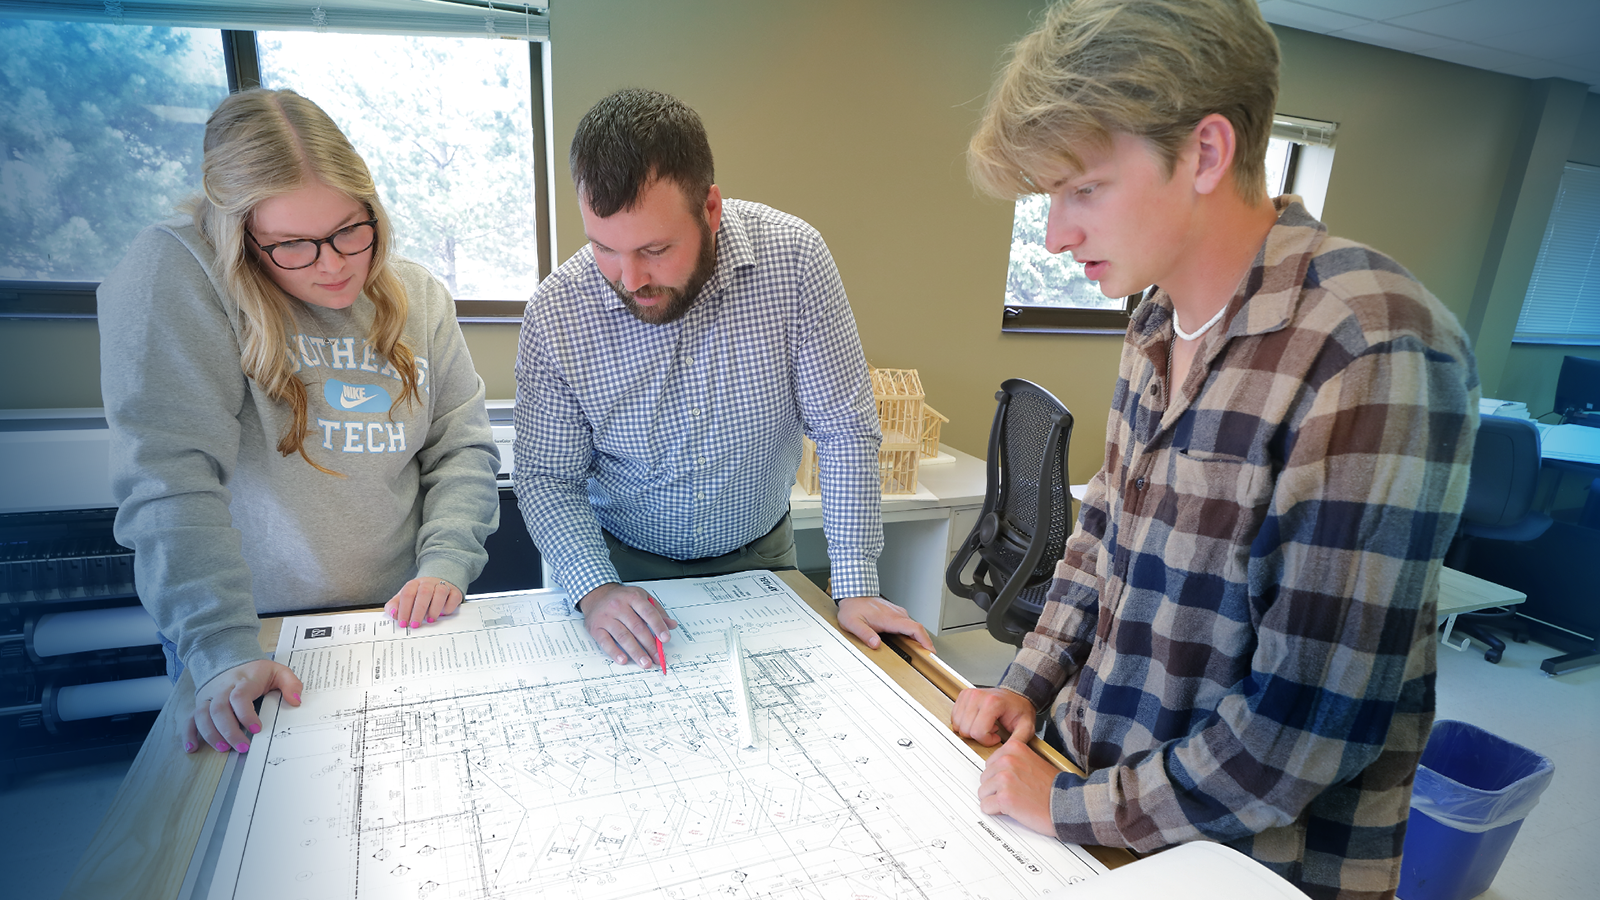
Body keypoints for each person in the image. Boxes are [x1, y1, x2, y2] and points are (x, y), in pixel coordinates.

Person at [949, 2, 1479, 897]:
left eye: (1082, 190)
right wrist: (1029, 684)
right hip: (1098, 798)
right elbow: (1102, 535)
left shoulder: (1372, 344)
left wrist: (1074, 806)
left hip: (1244, 864)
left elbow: (1306, 727)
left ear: (1204, 152)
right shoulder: (1155, 314)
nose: (1056, 235)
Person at [98, 88, 501, 757]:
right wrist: (221, 647)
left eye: (351, 229)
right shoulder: (176, 271)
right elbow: (168, 478)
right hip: (247, 634)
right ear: (240, 235)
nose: (336, 263)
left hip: (395, 617)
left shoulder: (419, 293)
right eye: (292, 245)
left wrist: (446, 562)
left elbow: (461, 445)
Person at [514, 88, 932, 669]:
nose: (630, 278)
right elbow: (546, 478)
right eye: (603, 248)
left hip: (760, 555)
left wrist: (856, 582)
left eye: (656, 249)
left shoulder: (795, 260)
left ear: (710, 209)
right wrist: (597, 590)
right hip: (618, 567)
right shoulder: (557, 313)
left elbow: (843, 430)